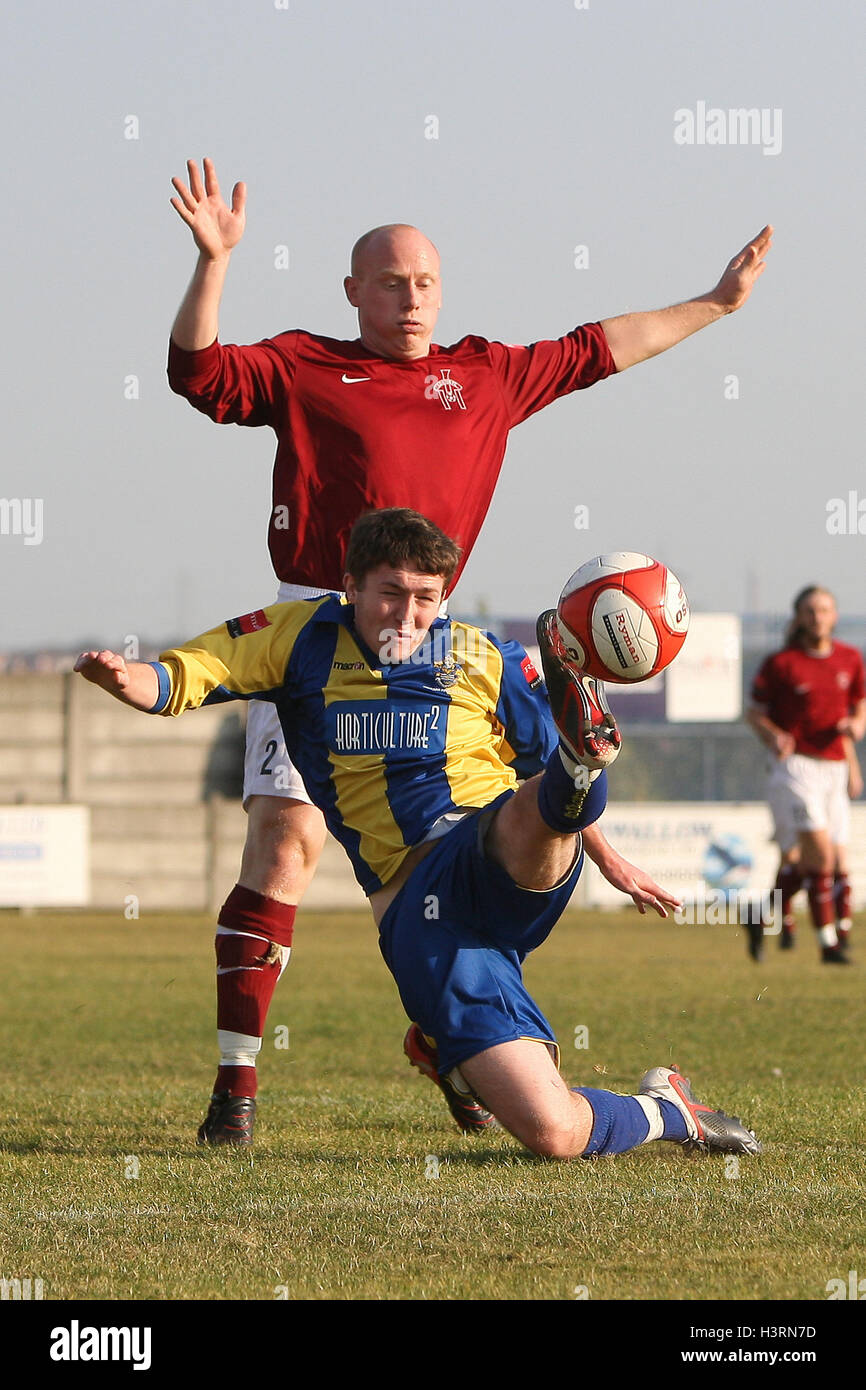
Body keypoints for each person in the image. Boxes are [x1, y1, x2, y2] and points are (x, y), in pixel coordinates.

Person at [167, 155, 773, 1142]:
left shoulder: (483, 375)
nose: (410, 298)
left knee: (412, 866)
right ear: (352, 291)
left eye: (425, 283)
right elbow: (194, 372)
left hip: (430, 636)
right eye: (390, 281)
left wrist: (714, 303)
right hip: (319, 626)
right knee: (283, 844)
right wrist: (212, 263)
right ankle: (235, 1094)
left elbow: (595, 349)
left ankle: (450, 1042)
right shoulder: (302, 366)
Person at [75, 508, 761, 1160]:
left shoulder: (478, 654)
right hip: (423, 918)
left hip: (494, 851)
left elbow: (531, 773)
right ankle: (670, 1109)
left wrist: (606, 854)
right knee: (552, 1132)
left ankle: (580, 767)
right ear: (348, 586)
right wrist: (125, 677)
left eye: (426, 598)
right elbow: (188, 674)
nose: (407, 616)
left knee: (529, 801)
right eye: (390, 594)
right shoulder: (296, 638)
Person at [747, 586, 865, 963]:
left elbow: (858, 712)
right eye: (810, 610)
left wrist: (854, 746)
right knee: (817, 857)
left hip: (835, 769)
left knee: (833, 862)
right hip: (795, 768)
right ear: (798, 616)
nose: (818, 617)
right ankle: (830, 944)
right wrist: (774, 734)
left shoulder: (850, 659)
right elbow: (754, 713)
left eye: (825, 609)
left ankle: (762, 914)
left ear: (834, 615)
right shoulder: (782, 663)